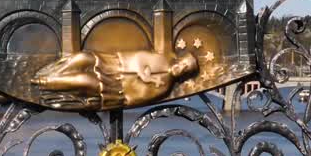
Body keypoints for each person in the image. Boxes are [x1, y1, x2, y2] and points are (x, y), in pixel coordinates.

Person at [32, 49, 199, 110]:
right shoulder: (161, 60)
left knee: (84, 80)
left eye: (185, 70)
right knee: (83, 58)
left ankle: (44, 83)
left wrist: (148, 82)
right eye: (183, 64)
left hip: (116, 88)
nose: (181, 68)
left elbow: (136, 99)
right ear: (179, 59)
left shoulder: (165, 87)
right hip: (115, 64)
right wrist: (143, 73)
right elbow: (140, 57)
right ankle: (53, 73)